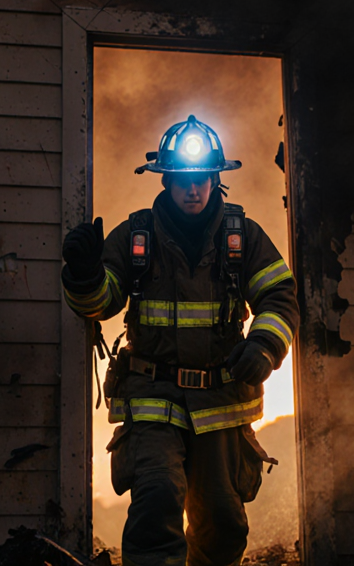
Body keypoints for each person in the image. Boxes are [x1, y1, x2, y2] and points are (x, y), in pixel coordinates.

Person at [61, 115, 300, 566]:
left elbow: (280, 295)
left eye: (204, 180)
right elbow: (99, 303)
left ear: (216, 180)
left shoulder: (241, 237)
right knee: (156, 501)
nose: (194, 190)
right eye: (184, 180)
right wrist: (83, 274)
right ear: (167, 180)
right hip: (153, 400)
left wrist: (265, 346)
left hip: (221, 402)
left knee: (223, 521)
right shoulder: (136, 237)